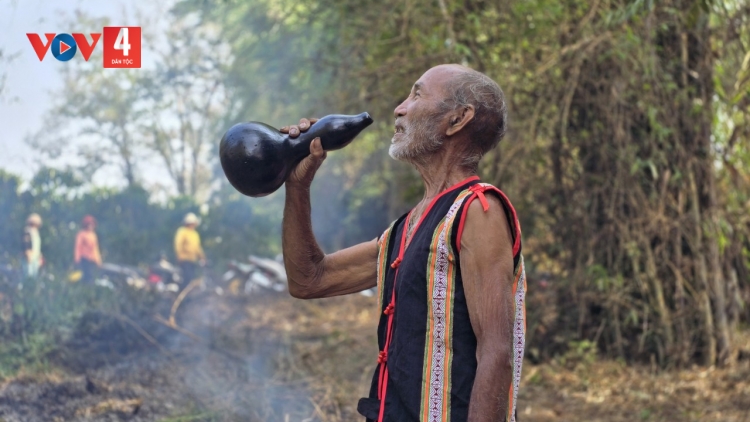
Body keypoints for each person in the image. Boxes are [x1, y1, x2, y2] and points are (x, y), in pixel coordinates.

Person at [280, 64, 525, 422]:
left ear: (457, 120)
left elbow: (496, 352)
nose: (400, 107)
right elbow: (308, 280)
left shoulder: (477, 211)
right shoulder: (405, 228)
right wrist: (297, 186)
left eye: (417, 94)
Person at [174, 213, 205, 284]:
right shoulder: (182, 231)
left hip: (193, 260)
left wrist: (202, 257)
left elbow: (198, 248)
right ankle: (183, 293)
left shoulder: (195, 234)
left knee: (192, 277)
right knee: (187, 277)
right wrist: (179, 255)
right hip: (184, 259)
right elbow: (178, 244)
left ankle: (190, 293)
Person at [74, 215, 102, 285]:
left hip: (92, 260)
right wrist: (77, 259)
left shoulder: (93, 235)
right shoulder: (81, 234)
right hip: (84, 258)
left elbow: (95, 249)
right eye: (89, 224)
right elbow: (78, 247)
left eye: (92, 224)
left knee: (92, 276)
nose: (91, 226)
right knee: (86, 276)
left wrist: (98, 260)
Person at [22, 213, 43, 278]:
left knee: (34, 275)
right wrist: (28, 254)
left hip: (35, 257)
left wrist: (40, 256)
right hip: (29, 256)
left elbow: (37, 246)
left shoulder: (36, 233)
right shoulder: (27, 231)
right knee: (28, 274)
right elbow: (26, 244)